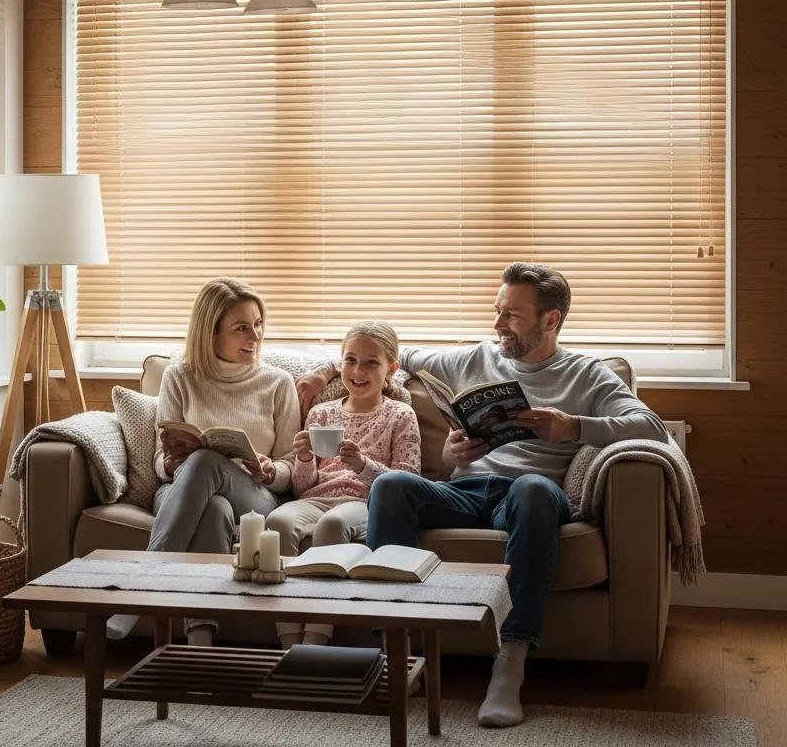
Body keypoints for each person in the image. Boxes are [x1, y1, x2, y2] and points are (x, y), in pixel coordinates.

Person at [295, 262, 668, 728]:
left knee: (533, 488)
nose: (496, 325)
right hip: (466, 490)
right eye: (497, 311)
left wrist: (572, 426)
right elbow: (390, 354)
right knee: (391, 484)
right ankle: (401, 649)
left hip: (529, 496)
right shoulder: (471, 358)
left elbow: (652, 427)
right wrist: (323, 370)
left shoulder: (586, 373)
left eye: (511, 315)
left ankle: (509, 663)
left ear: (550, 320)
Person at [107, 277, 298, 644]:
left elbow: (291, 467)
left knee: (207, 462)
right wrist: (176, 461)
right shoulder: (179, 377)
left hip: (255, 496)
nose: (255, 336)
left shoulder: (278, 383)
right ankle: (201, 644)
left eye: (258, 324)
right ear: (211, 334)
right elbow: (160, 462)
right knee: (213, 508)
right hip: (181, 490)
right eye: (241, 328)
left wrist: (272, 470)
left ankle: (141, 586)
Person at [265, 321, 421, 648]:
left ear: (391, 369)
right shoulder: (321, 414)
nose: (358, 370)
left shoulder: (400, 414)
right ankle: (289, 642)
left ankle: (315, 640)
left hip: (363, 501)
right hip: (316, 498)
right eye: (350, 360)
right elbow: (301, 487)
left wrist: (363, 466)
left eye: (371, 362)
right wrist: (305, 459)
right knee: (277, 521)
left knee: (332, 524)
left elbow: (408, 482)